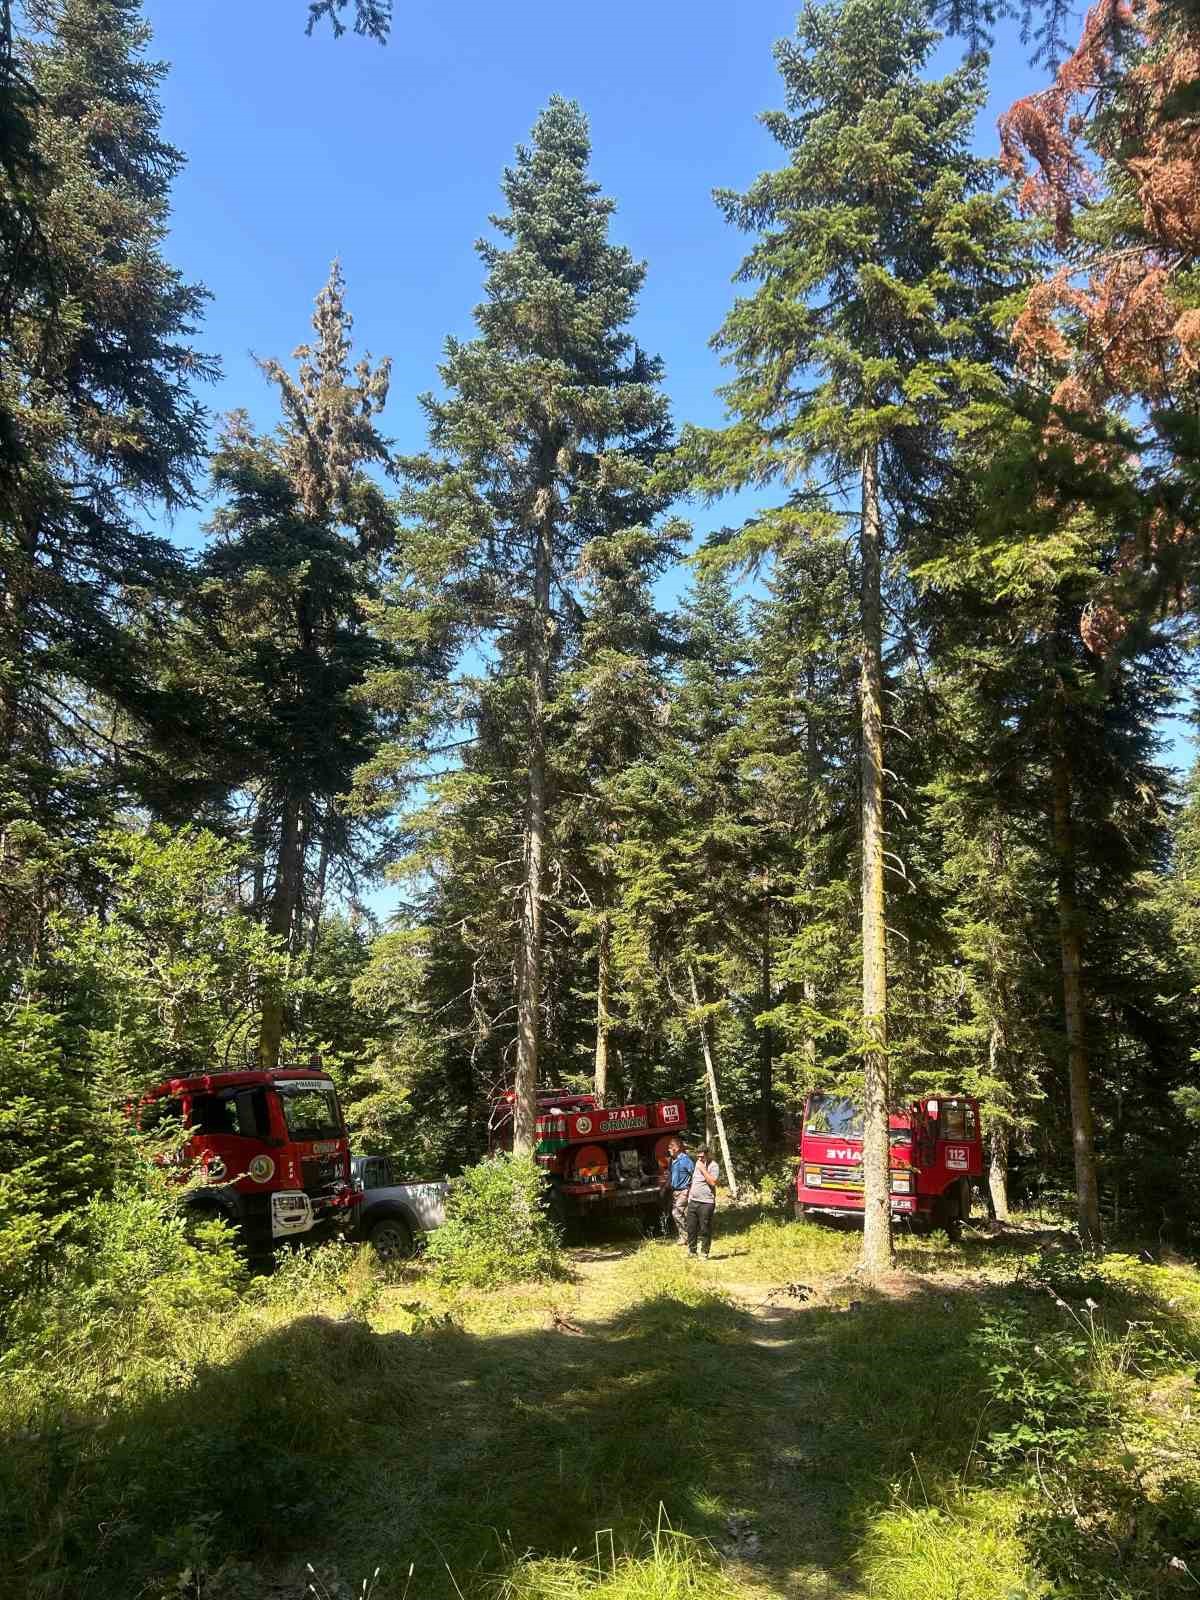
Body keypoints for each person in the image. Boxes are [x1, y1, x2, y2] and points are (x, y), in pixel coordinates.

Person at [686, 1146, 720, 1259]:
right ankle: (692, 1252)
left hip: (706, 1202)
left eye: (702, 1156)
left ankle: (704, 1253)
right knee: (691, 1228)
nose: (700, 1159)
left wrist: (702, 1169)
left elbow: (713, 1182)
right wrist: (690, 1196)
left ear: (708, 1154)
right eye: (698, 1157)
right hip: (693, 1200)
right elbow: (694, 1180)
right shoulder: (698, 1163)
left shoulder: (713, 1165)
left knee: (705, 1228)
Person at [660, 1137, 694, 1246]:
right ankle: (685, 1237)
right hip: (675, 1192)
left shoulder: (685, 1160)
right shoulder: (672, 1161)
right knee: (679, 1214)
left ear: (677, 1148)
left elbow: (694, 1174)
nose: (669, 1150)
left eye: (671, 1148)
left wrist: (690, 1189)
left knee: (676, 1213)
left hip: (684, 1191)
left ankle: (688, 1236)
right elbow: (670, 1175)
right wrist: (665, 1187)